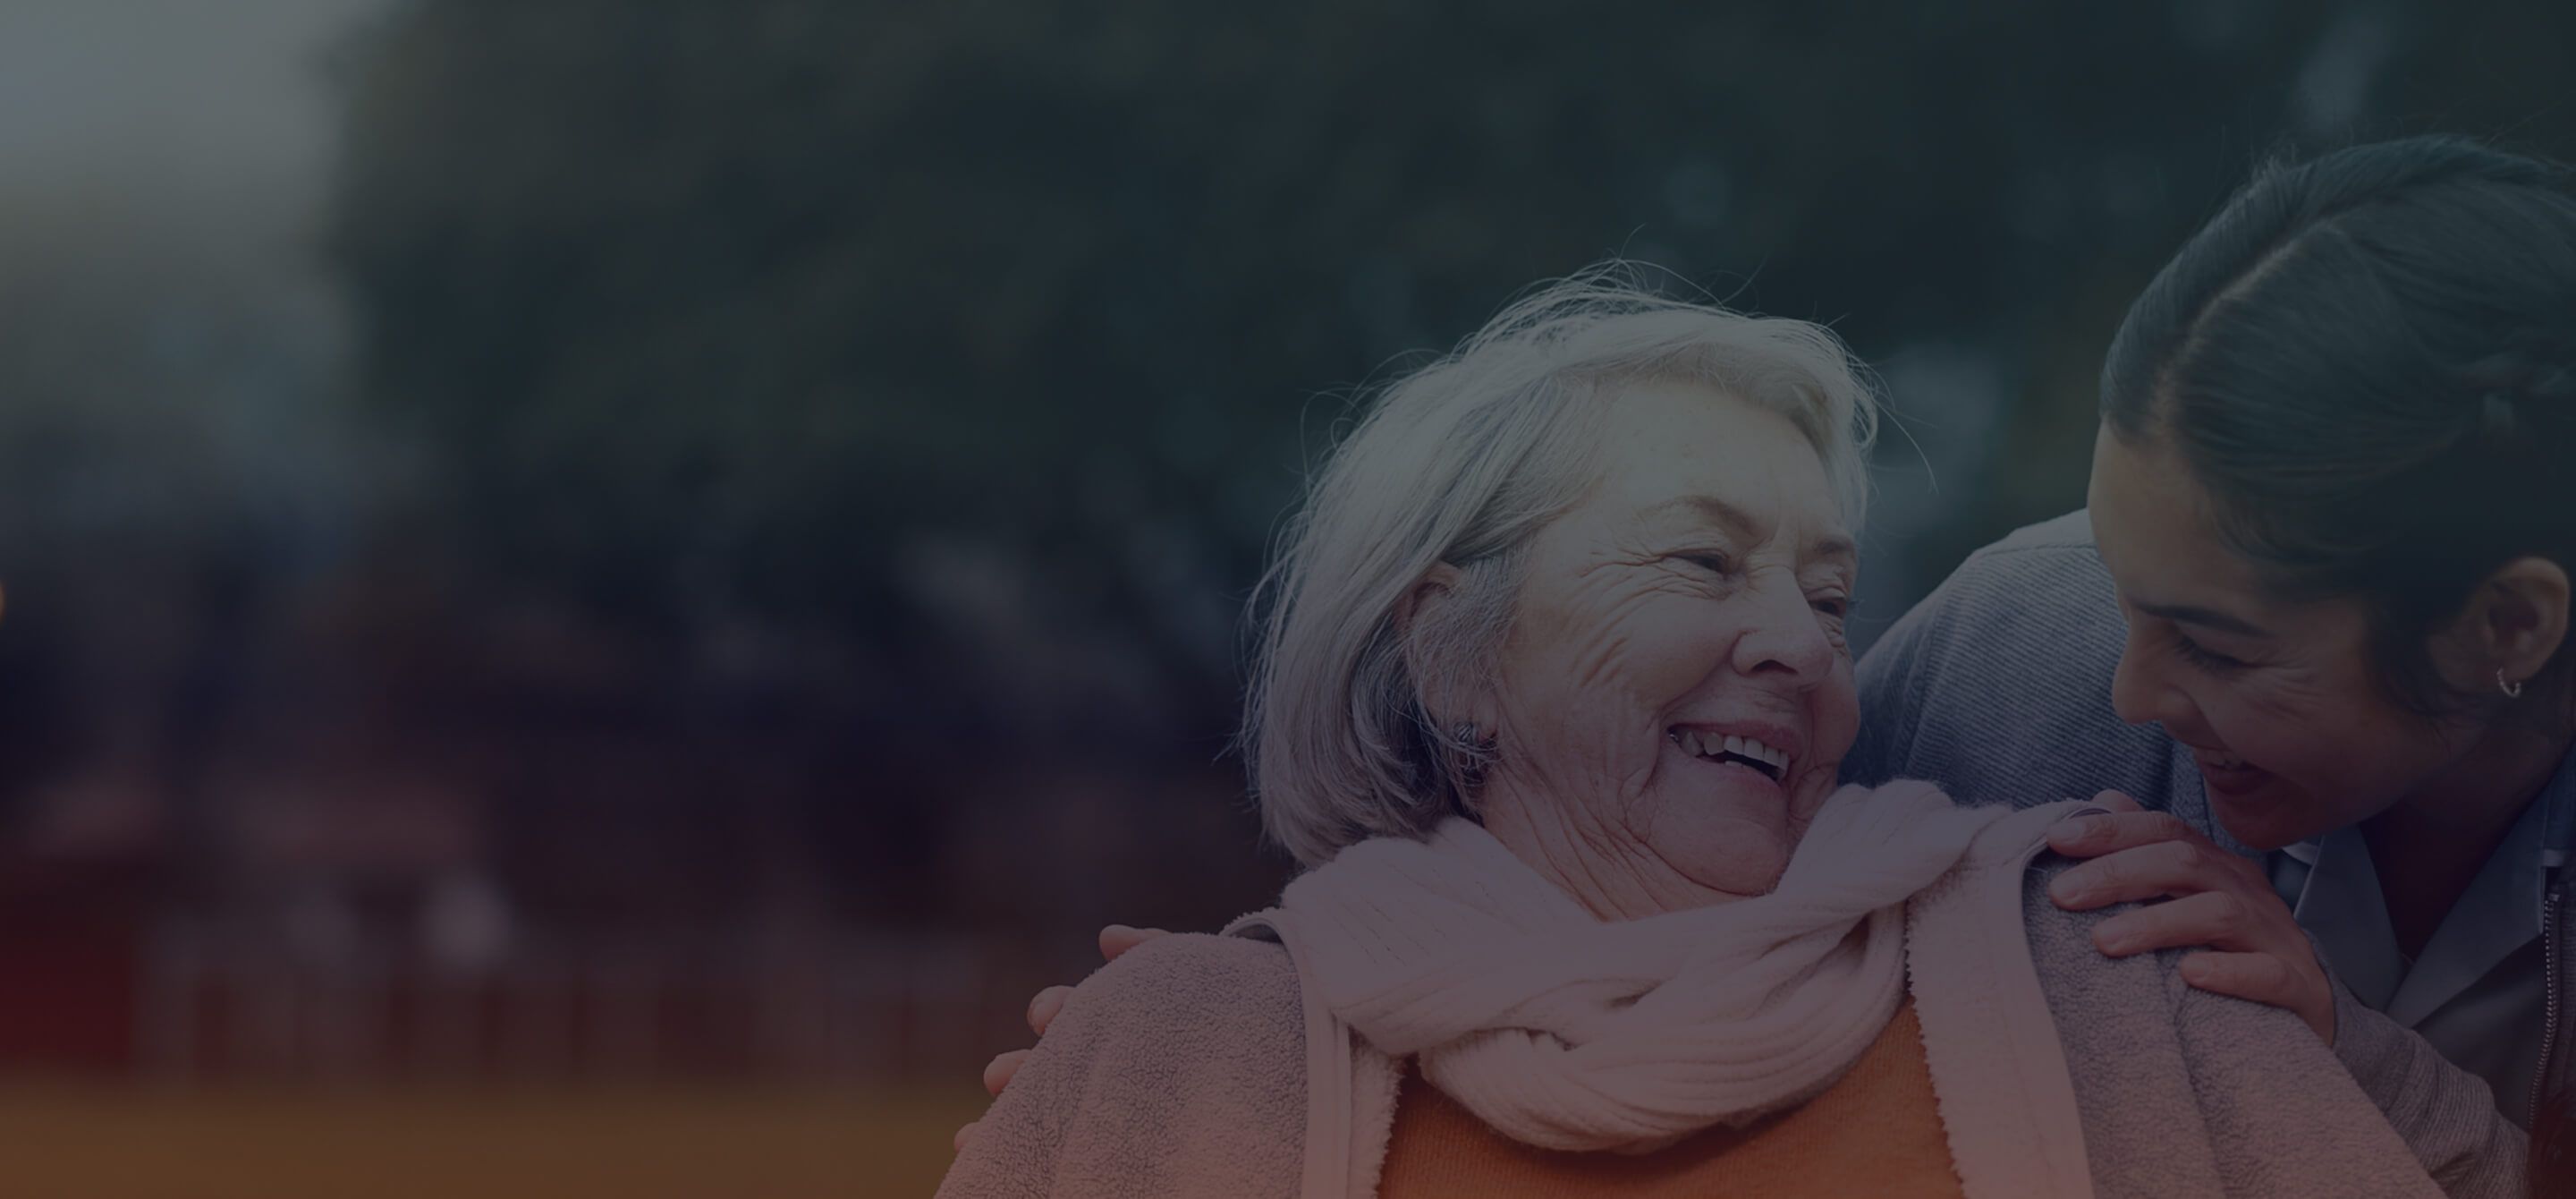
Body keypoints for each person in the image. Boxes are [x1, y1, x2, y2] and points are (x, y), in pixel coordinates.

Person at [936, 274, 2499, 1198]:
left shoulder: (2108, 962)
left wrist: (2345, 1049)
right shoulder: (1182, 1049)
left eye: (1830, 600)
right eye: (1701, 562)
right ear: (1451, 651)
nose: (1801, 648)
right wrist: (1150, 1055)